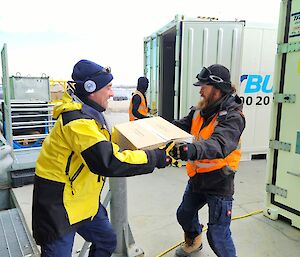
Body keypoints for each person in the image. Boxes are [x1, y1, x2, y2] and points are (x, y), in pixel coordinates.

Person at [32, 59, 172, 257]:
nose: (112, 93)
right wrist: (154, 158)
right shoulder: (77, 122)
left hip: (82, 198)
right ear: (91, 89)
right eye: (108, 87)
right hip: (59, 205)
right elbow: (108, 161)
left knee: (106, 241)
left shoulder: (90, 115)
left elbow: (103, 145)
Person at [170, 64, 245, 257]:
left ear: (218, 89)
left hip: (219, 181)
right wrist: (157, 126)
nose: (200, 90)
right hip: (197, 178)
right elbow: (180, 127)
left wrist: (190, 150)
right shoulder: (199, 111)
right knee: (184, 214)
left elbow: (219, 144)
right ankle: (194, 241)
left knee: (218, 234)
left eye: (204, 86)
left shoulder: (233, 116)